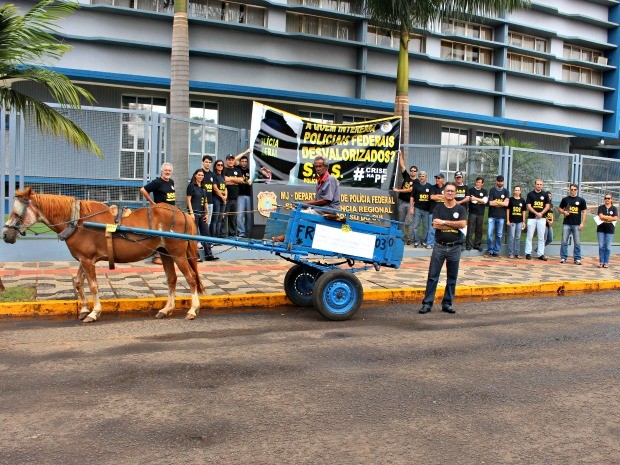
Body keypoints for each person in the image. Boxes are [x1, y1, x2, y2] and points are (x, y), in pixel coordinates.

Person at [419, 182, 467, 315]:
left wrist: (445, 222)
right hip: (439, 247)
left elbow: (463, 224)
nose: (450, 193)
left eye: (452, 191)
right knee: (433, 276)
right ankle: (427, 303)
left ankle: (447, 303)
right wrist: (454, 226)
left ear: (455, 193)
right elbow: (435, 225)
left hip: (455, 248)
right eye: (448, 191)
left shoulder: (460, 209)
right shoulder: (438, 208)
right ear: (444, 193)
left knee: (452, 277)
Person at [140, 162, 175, 265]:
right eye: (166, 170)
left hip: (170, 212)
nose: (168, 172)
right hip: (160, 213)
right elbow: (143, 190)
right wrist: (152, 203)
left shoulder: (171, 182)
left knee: (168, 234)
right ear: (162, 171)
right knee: (159, 234)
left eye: (169, 170)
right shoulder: (157, 182)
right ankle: (156, 256)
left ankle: (166, 255)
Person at [186, 170, 218, 262]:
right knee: (194, 234)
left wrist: (207, 213)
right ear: (195, 175)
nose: (201, 176)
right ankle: (195, 255)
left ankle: (209, 254)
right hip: (194, 213)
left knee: (206, 233)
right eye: (199, 175)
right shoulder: (191, 186)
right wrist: (191, 213)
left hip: (202, 213)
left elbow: (206, 202)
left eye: (202, 175)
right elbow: (188, 200)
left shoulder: (204, 188)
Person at [393, 150, 418, 244]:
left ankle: (410, 239)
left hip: (411, 204)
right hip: (402, 202)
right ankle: (400, 237)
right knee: (401, 221)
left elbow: (410, 190)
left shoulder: (417, 182)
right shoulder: (406, 176)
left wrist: (398, 190)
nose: (412, 172)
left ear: (416, 172)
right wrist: (400, 154)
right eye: (411, 170)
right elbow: (402, 165)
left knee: (410, 222)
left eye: (414, 171)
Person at [558, 184, 587, 265]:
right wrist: (563, 212)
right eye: (572, 189)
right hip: (567, 223)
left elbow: (585, 212)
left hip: (577, 224)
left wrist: (582, 223)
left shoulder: (581, 200)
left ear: (577, 190)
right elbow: (560, 208)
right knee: (564, 241)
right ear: (569, 190)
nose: (573, 191)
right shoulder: (565, 199)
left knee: (577, 242)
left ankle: (577, 258)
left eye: (574, 189)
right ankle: (563, 257)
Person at [525, 179, 551, 261]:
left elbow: (548, 206)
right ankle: (528, 253)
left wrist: (541, 213)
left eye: (540, 184)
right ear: (535, 185)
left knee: (541, 237)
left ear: (542, 185)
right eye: (538, 184)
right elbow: (528, 206)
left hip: (542, 218)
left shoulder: (545, 194)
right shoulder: (530, 194)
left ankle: (540, 254)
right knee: (529, 236)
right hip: (532, 218)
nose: (539, 186)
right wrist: (536, 213)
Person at [485, 174, 509, 257]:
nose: (500, 183)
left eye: (501, 181)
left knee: (499, 234)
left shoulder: (506, 191)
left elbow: (506, 204)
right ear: (496, 181)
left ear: (503, 182)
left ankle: (496, 251)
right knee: (489, 234)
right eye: (498, 181)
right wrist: (501, 203)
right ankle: (489, 250)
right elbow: (490, 203)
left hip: (501, 216)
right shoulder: (492, 190)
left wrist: (497, 202)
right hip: (492, 215)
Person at [223, 152, 245, 237]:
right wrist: (235, 181)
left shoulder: (237, 170)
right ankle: (224, 235)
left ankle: (232, 234)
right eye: (229, 160)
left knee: (233, 218)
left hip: (235, 198)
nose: (231, 161)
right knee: (224, 217)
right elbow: (224, 181)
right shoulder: (224, 169)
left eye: (232, 160)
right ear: (226, 161)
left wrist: (230, 179)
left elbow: (241, 180)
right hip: (226, 198)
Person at [411, 171, 432, 247]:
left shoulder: (430, 186)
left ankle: (423, 241)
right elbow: (412, 197)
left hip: (426, 210)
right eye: (420, 176)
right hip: (417, 209)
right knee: (416, 226)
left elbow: (432, 197)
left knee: (426, 227)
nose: (421, 177)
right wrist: (411, 208)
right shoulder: (416, 186)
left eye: (423, 176)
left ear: (425, 177)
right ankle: (416, 241)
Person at [466, 177, 488, 251]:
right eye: (477, 182)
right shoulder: (471, 190)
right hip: (472, 212)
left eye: (479, 182)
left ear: (482, 183)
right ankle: (469, 245)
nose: (477, 183)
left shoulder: (484, 191)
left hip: (481, 213)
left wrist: (476, 198)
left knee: (479, 229)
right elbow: (473, 201)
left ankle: (477, 245)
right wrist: (480, 200)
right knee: (470, 229)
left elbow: (485, 201)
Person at [597, 193, 618, 268]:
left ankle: (606, 262)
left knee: (608, 247)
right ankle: (601, 261)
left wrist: (605, 217)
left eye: (609, 198)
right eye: (606, 198)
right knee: (601, 246)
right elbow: (600, 216)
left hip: (610, 230)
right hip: (601, 229)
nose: (607, 200)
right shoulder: (601, 207)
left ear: (611, 199)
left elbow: (615, 218)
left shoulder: (614, 208)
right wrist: (609, 217)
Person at [235, 150, 253, 238]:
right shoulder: (238, 169)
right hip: (240, 195)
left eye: (246, 161)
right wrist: (246, 151)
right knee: (240, 215)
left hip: (249, 195)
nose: (244, 163)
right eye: (242, 161)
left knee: (249, 216)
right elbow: (235, 159)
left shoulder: (250, 171)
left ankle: (248, 233)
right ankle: (241, 232)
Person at [506, 186, 526, 258]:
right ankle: (511, 253)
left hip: (519, 221)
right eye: (516, 190)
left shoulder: (522, 200)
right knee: (511, 237)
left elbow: (524, 212)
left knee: (518, 237)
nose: (517, 191)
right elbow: (508, 210)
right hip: (512, 221)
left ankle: (517, 253)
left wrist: (524, 221)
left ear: (520, 191)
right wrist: (508, 220)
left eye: (518, 190)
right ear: (514, 191)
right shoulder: (511, 200)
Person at [427, 173, 446, 249]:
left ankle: (440, 243)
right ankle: (430, 243)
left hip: (444, 211)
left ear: (443, 179)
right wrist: (442, 197)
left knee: (443, 228)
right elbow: (432, 197)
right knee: (432, 228)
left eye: (438, 178)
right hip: (433, 211)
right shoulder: (432, 187)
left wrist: (437, 196)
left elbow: (447, 197)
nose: (437, 179)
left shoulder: (446, 188)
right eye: (436, 178)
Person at [210, 159, 228, 238]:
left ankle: (218, 237)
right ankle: (213, 238)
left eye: (221, 165)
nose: (220, 166)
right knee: (215, 219)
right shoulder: (214, 175)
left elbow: (225, 188)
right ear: (215, 166)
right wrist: (222, 197)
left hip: (223, 200)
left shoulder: (223, 176)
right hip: (216, 199)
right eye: (218, 165)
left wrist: (225, 197)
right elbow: (215, 188)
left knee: (220, 219)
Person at [454, 171, 469, 250]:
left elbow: (467, 198)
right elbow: (450, 196)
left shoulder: (466, 187)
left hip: (463, 210)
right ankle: (455, 242)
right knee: (454, 225)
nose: (459, 179)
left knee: (462, 226)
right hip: (454, 209)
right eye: (457, 177)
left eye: (460, 177)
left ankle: (461, 243)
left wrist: (459, 202)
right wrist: (455, 202)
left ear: (462, 178)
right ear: (455, 178)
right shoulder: (453, 187)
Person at [198, 155, 215, 226]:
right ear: (203, 162)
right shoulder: (199, 173)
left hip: (210, 202)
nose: (208, 164)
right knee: (201, 223)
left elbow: (214, 187)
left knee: (208, 222)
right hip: (201, 203)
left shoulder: (212, 174)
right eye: (206, 162)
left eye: (209, 162)